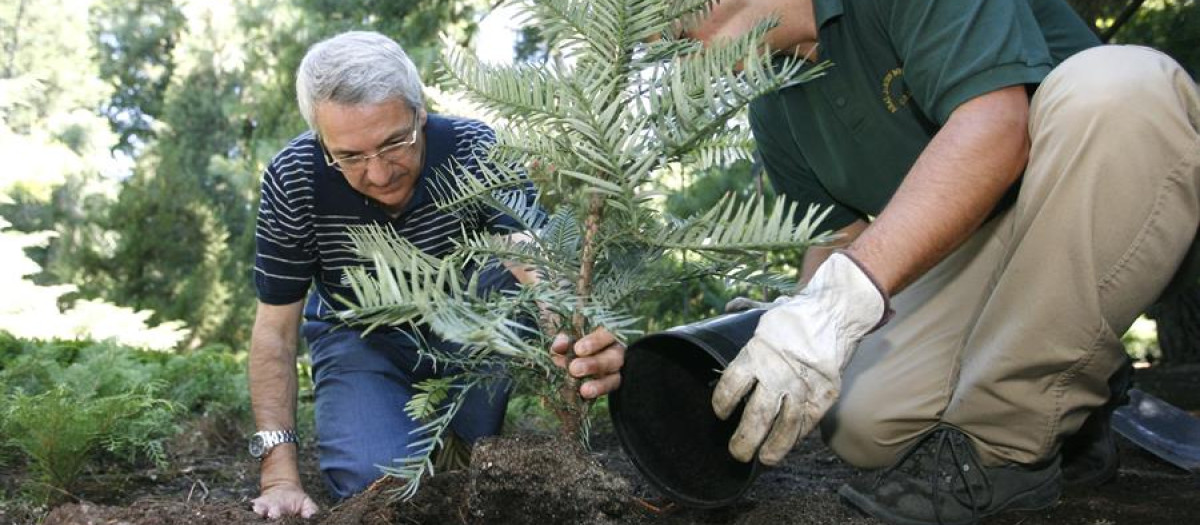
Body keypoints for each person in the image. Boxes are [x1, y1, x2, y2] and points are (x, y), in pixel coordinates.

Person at [685, 1, 1200, 524]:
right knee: (864, 423)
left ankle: (1004, 448)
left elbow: (997, 126)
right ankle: (1074, 408)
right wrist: (791, 322)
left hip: (1100, 194)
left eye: (658, 25)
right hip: (973, 254)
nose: (661, 53)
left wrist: (843, 298)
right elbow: (840, 241)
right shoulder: (772, 107)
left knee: (1120, 91)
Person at [247, 31, 625, 519]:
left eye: (394, 143)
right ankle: (392, 424)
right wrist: (279, 475)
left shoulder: (473, 147)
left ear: (419, 110)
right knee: (377, 487)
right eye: (351, 157)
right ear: (321, 138)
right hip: (359, 336)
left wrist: (576, 332)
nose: (380, 174)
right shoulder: (294, 178)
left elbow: (531, 257)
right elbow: (275, 331)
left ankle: (461, 438)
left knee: (466, 474)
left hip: (470, 325)